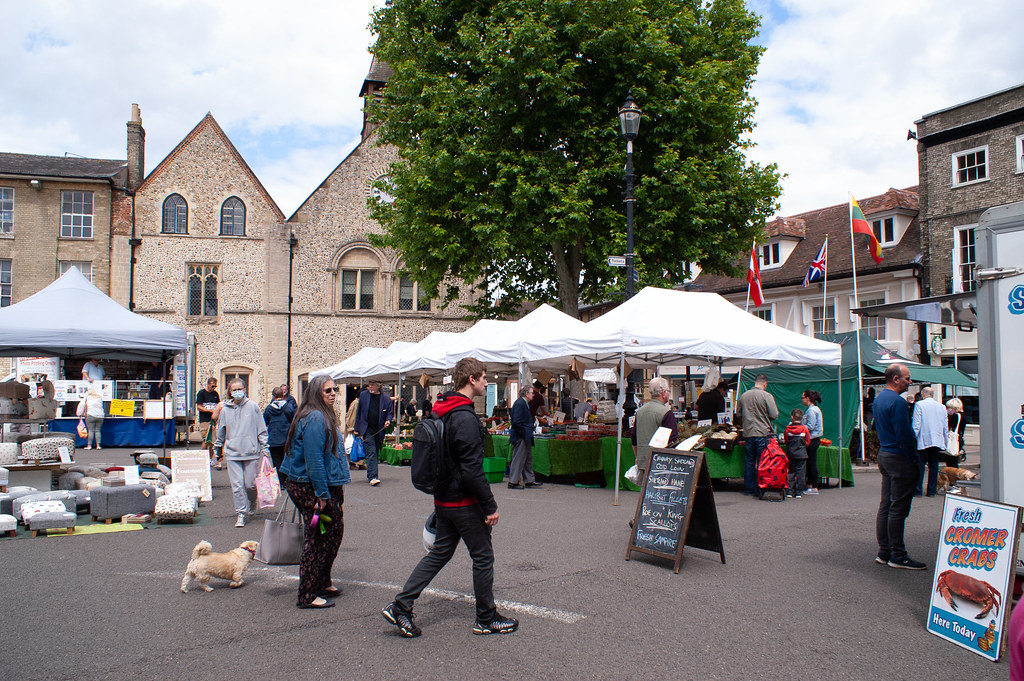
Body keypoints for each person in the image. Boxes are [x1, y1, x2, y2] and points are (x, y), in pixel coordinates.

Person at [381, 357, 519, 638]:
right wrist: (489, 506)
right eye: (483, 378)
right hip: (463, 501)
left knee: (440, 553)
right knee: (482, 556)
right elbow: (471, 470)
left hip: (443, 498)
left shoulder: (441, 409)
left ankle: (401, 605)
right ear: (471, 380)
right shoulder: (464, 417)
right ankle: (486, 617)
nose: (485, 382)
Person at [279, 373, 349, 609]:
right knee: (318, 535)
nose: (332, 394)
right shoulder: (316, 418)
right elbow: (314, 460)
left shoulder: (323, 415)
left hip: (322, 486)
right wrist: (321, 495)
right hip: (310, 488)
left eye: (334, 390)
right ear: (317, 393)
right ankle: (307, 593)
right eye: (327, 390)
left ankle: (321, 580)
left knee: (333, 530)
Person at [874, 363, 926, 570]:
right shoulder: (898, 402)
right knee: (898, 508)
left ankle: (885, 551)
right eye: (907, 378)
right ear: (896, 379)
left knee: (886, 505)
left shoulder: (879, 400)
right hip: (898, 455)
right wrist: (914, 458)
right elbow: (904, 434)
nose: (909, 382)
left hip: (885, 453)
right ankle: (898, 554)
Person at [214, 378, 270, 528]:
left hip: (251, 451)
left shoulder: (253, 407)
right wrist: (217, 447)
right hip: (232, 452)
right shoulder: (225, 410)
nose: (237, 392)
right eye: (234, 390)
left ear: (245, 390)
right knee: (237, 485)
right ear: (230, 392)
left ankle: (252, 500)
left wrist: (265, 447)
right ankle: (241, 513)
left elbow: (261, 428)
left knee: (250, 484)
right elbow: (221, 430)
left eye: (240, 389)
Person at [736, 374, 779, 497]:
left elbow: (738, 414)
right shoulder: (767, 396)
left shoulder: (744, 396)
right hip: (762, 432)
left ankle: (748, 489)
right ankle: (759, 488)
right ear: (765, 383)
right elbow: (774, 415)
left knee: (749, 461)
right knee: (762, 461)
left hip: (748, 432)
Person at [631, 377, 678, 479]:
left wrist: (638, 457)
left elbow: (634, 438)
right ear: (663, 392)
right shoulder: (666, 412)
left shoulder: (640, 412)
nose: (668, 394)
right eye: (669, 391)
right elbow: (673, 439)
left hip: (643, 460)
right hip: (661, 462)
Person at [353, 379, 393, 486]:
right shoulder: (363, 395)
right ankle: (372, 476)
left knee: (375, 450)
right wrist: (356, 428)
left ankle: (372, 472)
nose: (369, 387)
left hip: (379, 429)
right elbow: (359, 413)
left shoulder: (386, 399)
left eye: (372, 385)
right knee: (371, 452)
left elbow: (390, 412)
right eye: (369, 385)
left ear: (378, 386)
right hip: (367, 429)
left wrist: (388, 420)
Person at [912, 386, 948, 497]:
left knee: (920, 464)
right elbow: (945, 426)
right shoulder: (942, 407)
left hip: (923, 439)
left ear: (923, 394)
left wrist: (913, 438)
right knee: (934, 465)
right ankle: (931, 490)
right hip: (937, 439)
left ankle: (918, 490)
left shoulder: (919, 405)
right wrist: (945, 441)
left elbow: (916, 425)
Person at [508, 385, 542, 490]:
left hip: (525, 435)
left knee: (527, 458)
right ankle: (513, 481)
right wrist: (524, 432)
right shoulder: (520, 404)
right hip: (521, 436)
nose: (533, 394)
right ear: (526, 394)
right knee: (518, 458)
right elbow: (516, 422)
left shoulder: (523, 403)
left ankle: (529, 480)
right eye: (532, 393)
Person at [264, 386, 296, 472]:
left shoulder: (269, 409)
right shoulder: (289, 407)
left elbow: (265, 422)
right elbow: (293, 419)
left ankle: (278, 482)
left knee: (276, 463)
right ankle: (285, 483)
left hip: (274, 439)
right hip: (286, 439)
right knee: (286, 463)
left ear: (273, 396)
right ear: (283, 395)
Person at [784, 408, 810, 498]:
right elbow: (808, 441)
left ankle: (789, 491)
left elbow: (786, 440)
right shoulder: (804, 429)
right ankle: (798, 492)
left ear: (792, 417)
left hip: (791, 452)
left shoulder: (788, 429)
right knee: (801, 472)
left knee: (791, 471)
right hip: (802, 453)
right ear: (802, 418)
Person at [801, 390, 824, 494]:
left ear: (808, 398)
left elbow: (810, 426)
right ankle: (810, 484)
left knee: (811, 463)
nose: (802, 400)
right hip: (813, 439)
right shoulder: (814, 409)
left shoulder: (811, 411)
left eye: (803, 397)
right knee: (810, 463)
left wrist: (798, 427)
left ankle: (814, 486)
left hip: (812, 439)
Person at [196, 377, 221, 467]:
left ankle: (210, 459)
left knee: (212, 441)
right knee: (205, 439)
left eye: (215, 386)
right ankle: (203, 458)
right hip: (204, 420)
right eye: (212, 386)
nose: (213, 388)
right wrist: (210, 411)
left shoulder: (215, 394)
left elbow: (218, 405)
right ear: (208, 384)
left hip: (213, 421)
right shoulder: (201, 393)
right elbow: (199, 407)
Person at [946, 397, 967, 463]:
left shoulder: (955, 416)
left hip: (954, 439)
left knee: (951, 460)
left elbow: (950, 426)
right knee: (954, 460)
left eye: (950, 407)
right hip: (959, 439)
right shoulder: (962, 416)